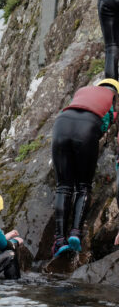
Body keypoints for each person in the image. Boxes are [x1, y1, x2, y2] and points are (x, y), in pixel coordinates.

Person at [51, 78, 119, 257]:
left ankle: (59, 240)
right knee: (83, 186)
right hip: (87, 128)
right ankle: (75, 233)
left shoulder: (83, 90)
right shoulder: (110, 97)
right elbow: (105, 124)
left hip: (62, 124)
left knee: (63, 186)